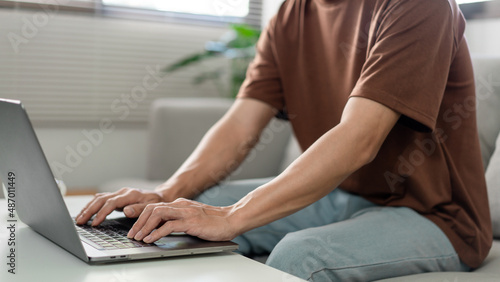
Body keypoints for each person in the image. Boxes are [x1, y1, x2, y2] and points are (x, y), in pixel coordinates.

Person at [76, 0, 493, 280]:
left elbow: (360, 137)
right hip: (346, 196)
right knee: (178, 218)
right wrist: (167, 193)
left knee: (298, 255)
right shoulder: (292, 14)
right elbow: (241, 124)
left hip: (438, 217)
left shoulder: (419, 6)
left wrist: (232, 217)